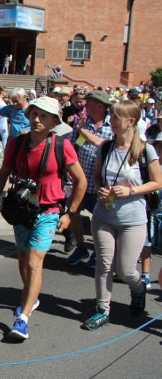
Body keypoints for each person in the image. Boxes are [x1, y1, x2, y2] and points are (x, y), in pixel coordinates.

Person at [0, 97, 87, 340]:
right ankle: (32, 296)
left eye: (43, 116)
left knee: (33, 261)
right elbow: (2, 174)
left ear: (54, 121)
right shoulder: (18, 143)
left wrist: (70, 213)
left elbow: (81, 181)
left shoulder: (62, 146)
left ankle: (23, 319)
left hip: (49, 211)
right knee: (22, 259)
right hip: (21, 210)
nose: (37, 120)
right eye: (34, 114)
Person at [81, 100, 161, 330]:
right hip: (103, 216)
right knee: (104, 265)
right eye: (112, 117)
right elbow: (97, 176)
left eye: (117, 118)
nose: (112, 122)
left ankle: (138, 289)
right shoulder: (105, 147)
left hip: (133, 219)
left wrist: (131, 190)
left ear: (131, 122)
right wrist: (100, 190)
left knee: (125, 270)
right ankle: (102, 310)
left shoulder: (146, 150)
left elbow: (158, 182)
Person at [65, 90, 113, 266]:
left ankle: (99, 251)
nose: (86, 106)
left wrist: (82, 131)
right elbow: (72, 146)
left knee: (101, 219)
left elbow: (107, 146)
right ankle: (81, 247)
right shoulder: (82, 123)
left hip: (103, 183)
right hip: (83, 181)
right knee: (73, 211)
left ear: (100, 105)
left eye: (90, 103)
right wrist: (79, 132)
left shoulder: (112, 124)